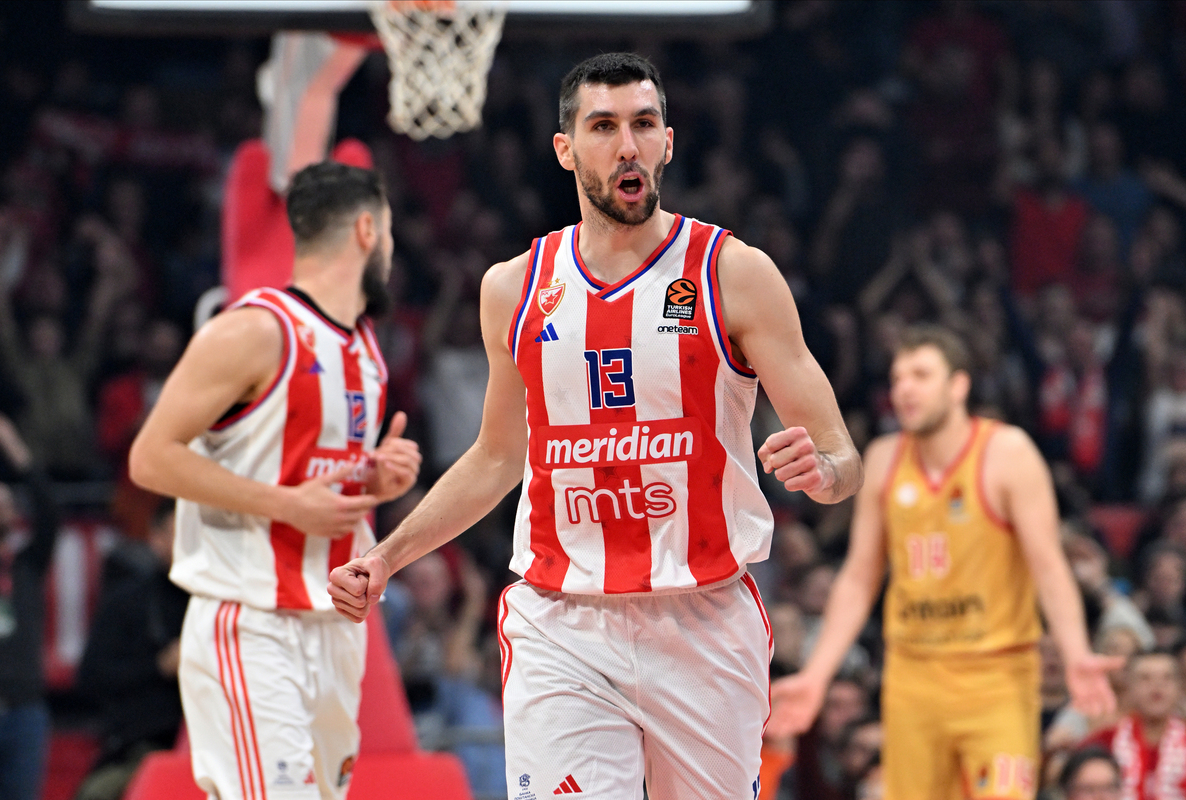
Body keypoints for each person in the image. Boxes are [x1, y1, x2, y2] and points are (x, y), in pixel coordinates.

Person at [329, 52, 862, 799]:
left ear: (668, 142)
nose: (628, 146)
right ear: (566, 148)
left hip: (702, 620)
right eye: (604, 126)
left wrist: (826, 471)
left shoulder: (732, 273)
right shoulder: (512, 286)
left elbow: (840, 455)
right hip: (562, 621)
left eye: (644, 125)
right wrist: (387, 556)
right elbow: (495, 457)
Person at [128, 161, 421, 800]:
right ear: (368, 229)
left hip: (334, 622)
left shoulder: (364, 343)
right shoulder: (255, 329)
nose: (393, 252)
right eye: (391, 234)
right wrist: (286, 505)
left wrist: (377, 479)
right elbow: (149, 458)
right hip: (252, 618)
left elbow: (310, 474)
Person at [769, 324, 1120, 800]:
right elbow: (858, 578)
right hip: (913, 678)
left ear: (958, 385)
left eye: (921, 375)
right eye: (897, 379)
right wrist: (815, 676)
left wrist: (1076, 652)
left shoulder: (1008, 453)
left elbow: (1049, 567)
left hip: (996, 675)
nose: (905, 389)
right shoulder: (884, 457)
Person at [74, 500, 189, 800]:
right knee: (97, 793)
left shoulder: (226, 601)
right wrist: (159, 666)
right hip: (145, 744)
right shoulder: (128, 602)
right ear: (157, 539)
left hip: (220, 744)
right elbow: (92, 677)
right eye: (181, 535)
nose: (192, 545)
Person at [0, 412, 56, 800]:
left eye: (0, 501)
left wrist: (13, 446)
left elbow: (49, 512)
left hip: (25, 710)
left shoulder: (28, 565)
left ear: (15, 515)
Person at [1083, 650, 1186, 799]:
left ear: (1180, 687)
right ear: (1129, 686)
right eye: (1145, 678)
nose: (1156, 686)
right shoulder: (1105, 740)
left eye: (1167, 678)